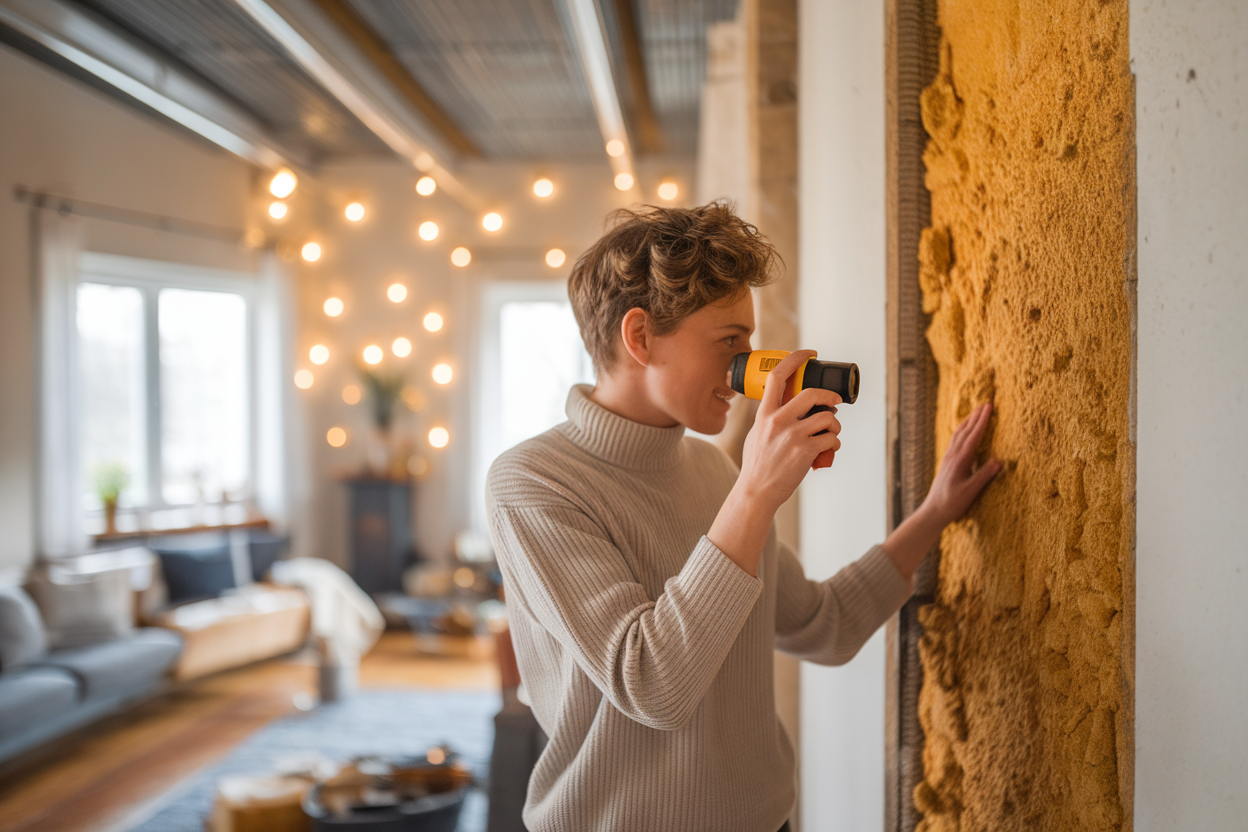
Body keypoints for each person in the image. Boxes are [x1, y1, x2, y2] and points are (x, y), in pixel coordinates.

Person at [486, 202, 1001, 832]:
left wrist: (937, 511)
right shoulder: (533, 482)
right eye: (730, 342)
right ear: (640, 337)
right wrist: (755, 492)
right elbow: (654, 685)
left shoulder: (713, 472)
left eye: (750, 342)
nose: (747, 370)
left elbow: (825, 625)